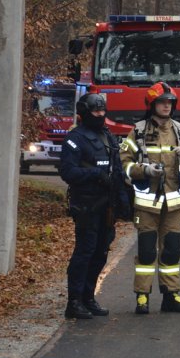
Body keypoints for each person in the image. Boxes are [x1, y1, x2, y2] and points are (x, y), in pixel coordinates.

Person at [119, 82, 180, 314]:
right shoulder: (138, 131)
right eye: (162, 102)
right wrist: (145, 171)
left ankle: (171, 296)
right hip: (147, 205)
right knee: (147, 252)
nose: (166, 106)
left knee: (171, 251)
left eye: (170, 102)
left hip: (174, 205)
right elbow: (124, 165)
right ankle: (142, 296)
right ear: (152, 104)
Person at [59, 92, 130, 319]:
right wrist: (95, 174)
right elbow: (67, 172)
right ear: (84, 113)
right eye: (95, 112)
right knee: (85, 250)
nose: (100, 115)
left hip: (107, 205)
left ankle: (89, 298)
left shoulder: (107, 136)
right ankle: (74, 302)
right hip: (86, 204)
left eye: (102, 111)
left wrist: (124, 203)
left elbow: (117, 172)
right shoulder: (75, 138)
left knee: (101, 251)